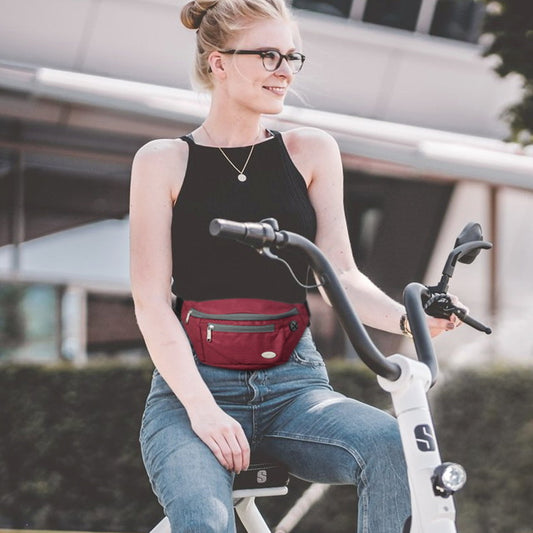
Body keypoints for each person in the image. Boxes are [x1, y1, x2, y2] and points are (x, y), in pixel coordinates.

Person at [129, 1, 462, 531]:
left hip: (295, 389)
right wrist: (205, 411)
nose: (285, 70)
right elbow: (150, 303)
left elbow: (340, 277)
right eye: (268, 55)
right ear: (218, 63)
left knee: (397, 449)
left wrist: (411, 318)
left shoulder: (311, 151)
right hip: (193, 391)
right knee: (203, 522)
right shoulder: (162, 161)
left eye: (291, 56)